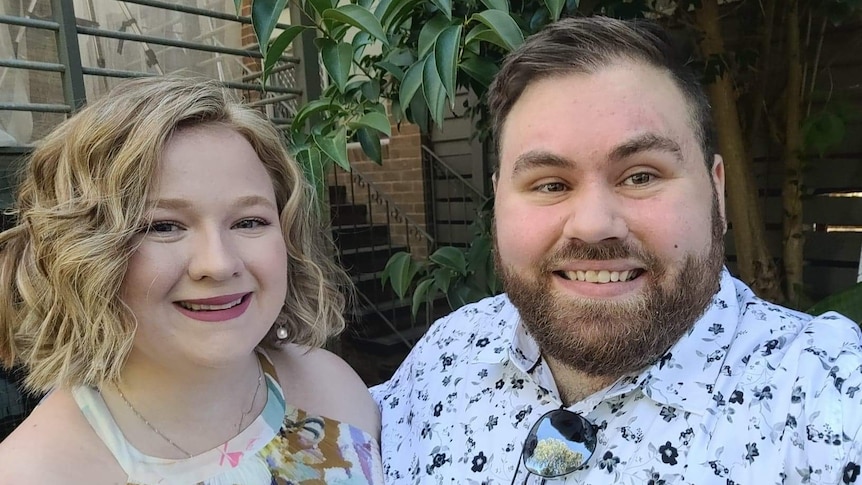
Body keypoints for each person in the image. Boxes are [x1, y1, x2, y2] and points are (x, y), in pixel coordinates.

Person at [372, 16, 862, 485]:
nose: (592, 226)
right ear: (498, 201)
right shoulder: (445, 353)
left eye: (641, 176)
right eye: (549, 184)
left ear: (717, 191)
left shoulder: (824, 393)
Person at [0, 76, 383, 484]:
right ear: (82, 252)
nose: (218, 264)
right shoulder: (33, 471)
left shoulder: (333, 389)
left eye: (249, 221)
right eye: (164, 226)